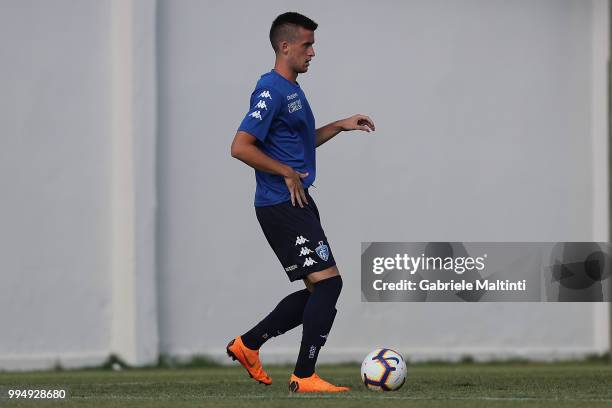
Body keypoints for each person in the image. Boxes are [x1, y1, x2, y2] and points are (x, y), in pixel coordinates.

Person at [227, 11, 375, 393]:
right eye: (307, 45)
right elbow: (240, 147)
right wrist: (286, 172)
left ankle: (249, 344)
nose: (313, 52)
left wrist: (339, 125)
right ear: (285, 46)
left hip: (297, 202)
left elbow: (297, 145)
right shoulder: (270, 90)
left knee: (319, 290)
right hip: (281, 203)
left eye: (313, 45)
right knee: (329, 286)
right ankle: (303, 375)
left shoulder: (293, 90)